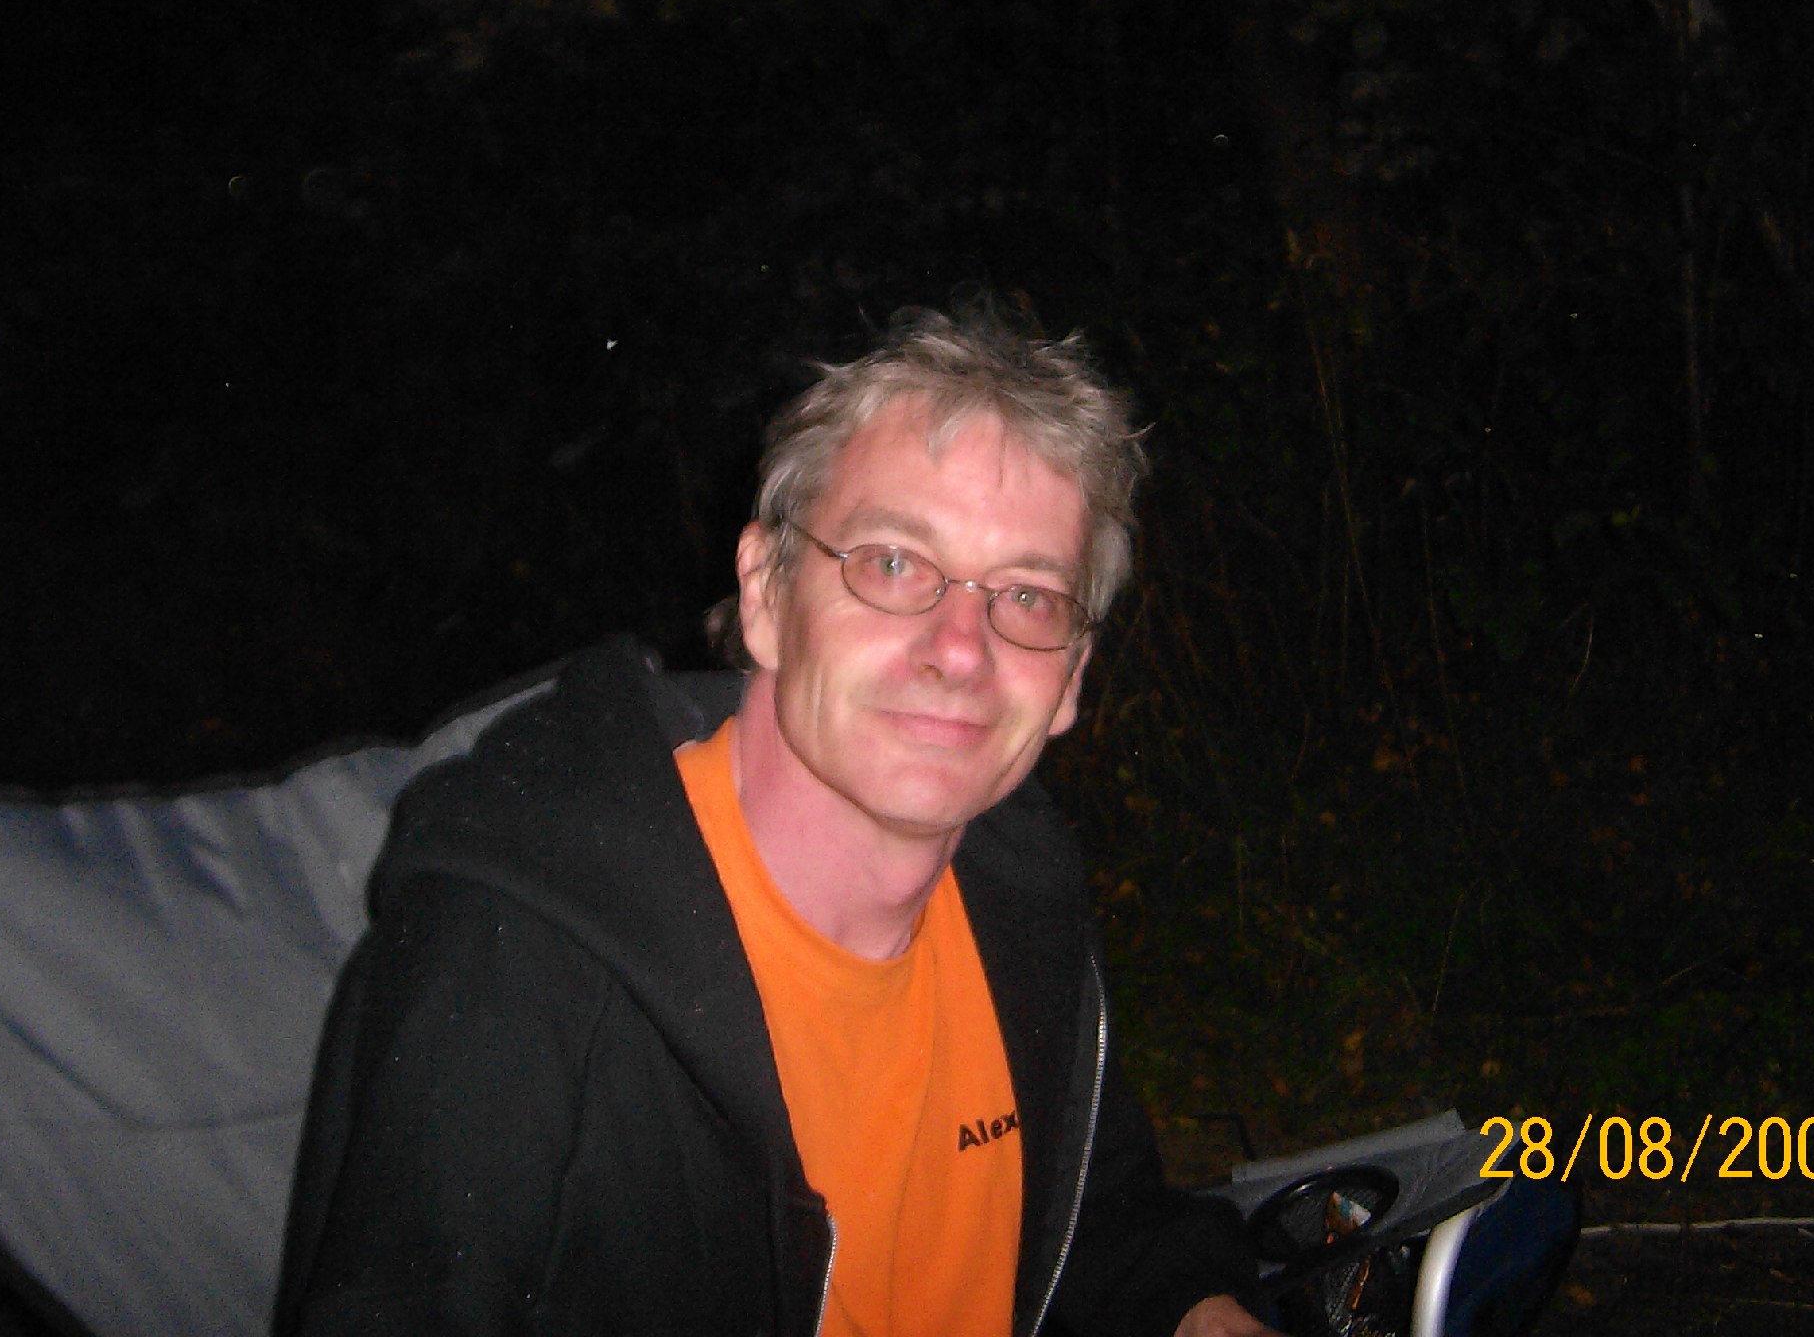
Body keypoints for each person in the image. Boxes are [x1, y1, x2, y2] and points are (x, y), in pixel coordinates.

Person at [275, 302, 1277, 1336]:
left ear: (1070, 675)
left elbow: (1094, 1226)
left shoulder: (1019, 889)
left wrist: (1202, 1311)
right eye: (893, 563)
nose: (960, 649)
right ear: (764, 592)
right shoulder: (521, 959)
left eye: (1027, 596)